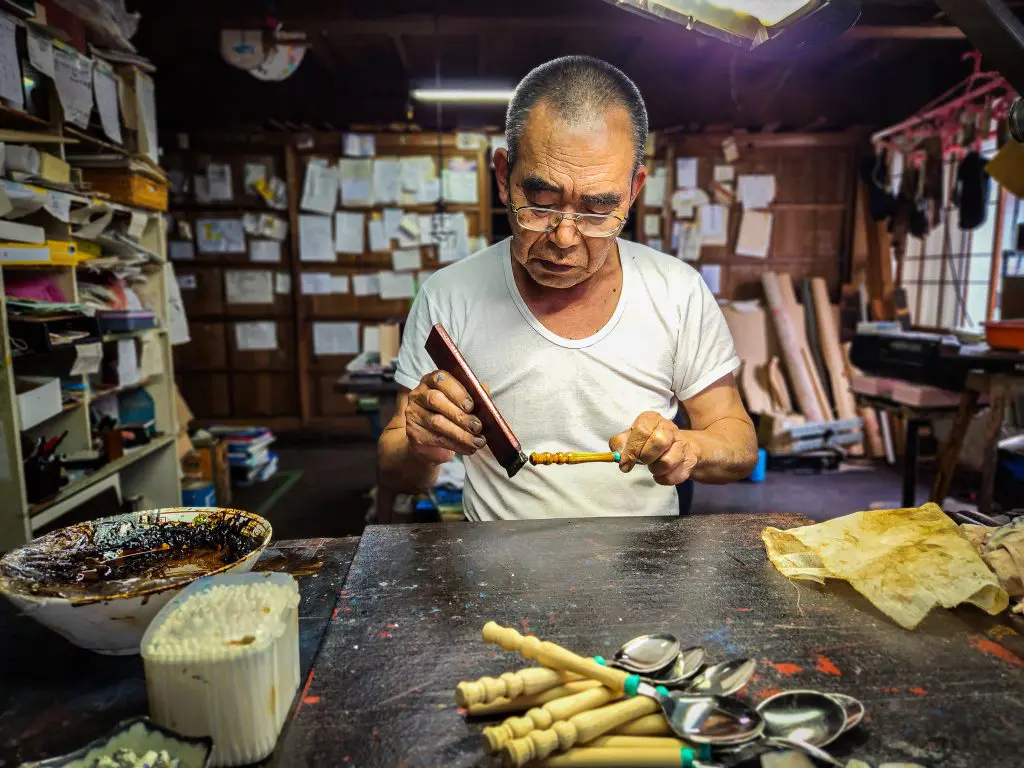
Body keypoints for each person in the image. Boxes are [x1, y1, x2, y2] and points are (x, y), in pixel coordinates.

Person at [378, 55, 757, 522]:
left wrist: (689, 446)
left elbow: (737, 441)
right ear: (503, 178)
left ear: (634, 190)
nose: (564, 237)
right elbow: (395, 472)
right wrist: (419, 445)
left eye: (598, 210)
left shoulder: (677, 291)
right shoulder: (447, 296)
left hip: (646, 570)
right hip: (496, 571)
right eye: (539, 203)